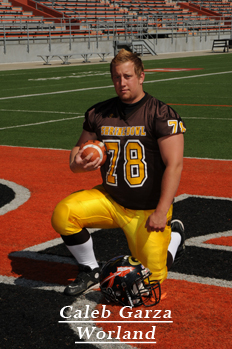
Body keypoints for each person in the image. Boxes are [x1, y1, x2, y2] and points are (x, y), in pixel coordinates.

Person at [51, 49, 186, 296]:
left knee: (148, 285)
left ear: (141, 76)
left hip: (147, 209)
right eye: (116, 77)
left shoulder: (161, 114)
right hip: (111, 200)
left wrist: (160, 212)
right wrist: (80, 163)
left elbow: (174, 166)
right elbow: (75, 159)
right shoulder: (99, 113)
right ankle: (90, 268)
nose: (121, 83)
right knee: (63, 214)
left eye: (127, 76)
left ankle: (174, 238)